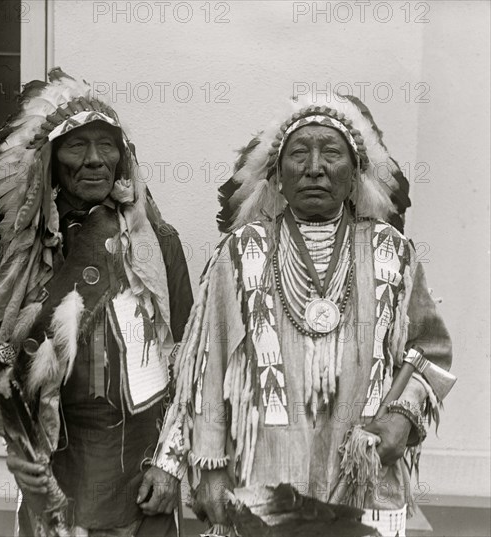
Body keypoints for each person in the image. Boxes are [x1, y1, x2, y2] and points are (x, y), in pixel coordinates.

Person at [153, 93, 452, 537]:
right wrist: (208, 467)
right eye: (299, 153)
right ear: (276, 175)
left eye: (331, 153)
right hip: (264, 481)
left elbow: (431, 352)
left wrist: (401, 417)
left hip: (362, 478)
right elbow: (204, 369)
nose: (315, 167)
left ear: (355, 175)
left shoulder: (393, 252)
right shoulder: (239, 253)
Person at [0, 68, 193, 537]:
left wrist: (171, 464)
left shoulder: (158, 245)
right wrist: (15, 447)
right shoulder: (25, 260)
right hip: (56, 469)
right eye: (75, 146)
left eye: (106, 145)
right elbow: (3, 369)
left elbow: (193, 368)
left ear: (123, 157)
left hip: (142, 471)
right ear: (50, 159)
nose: (93, 160)